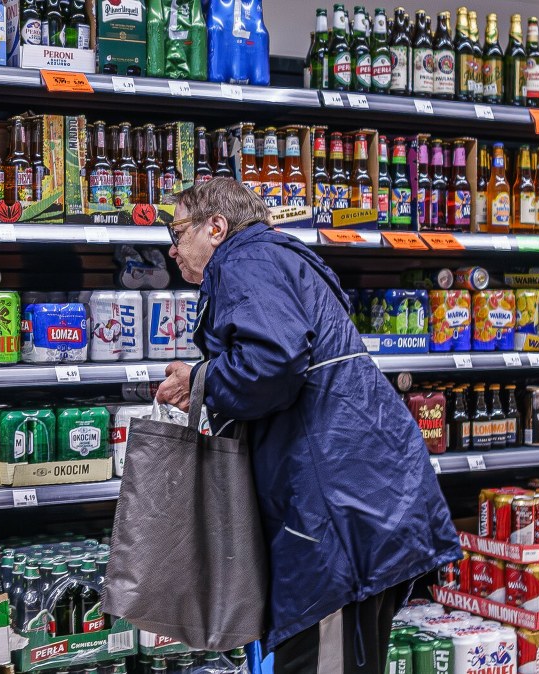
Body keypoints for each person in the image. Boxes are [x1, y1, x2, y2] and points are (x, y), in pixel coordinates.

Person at [155, 177, 461, 674]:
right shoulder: (274, 258)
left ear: (216, 227)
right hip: (358, 498)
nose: (172, 249)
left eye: (178, 231)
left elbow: (272, 364)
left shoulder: (245, 260)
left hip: (335, 516)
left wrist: (202, 379)